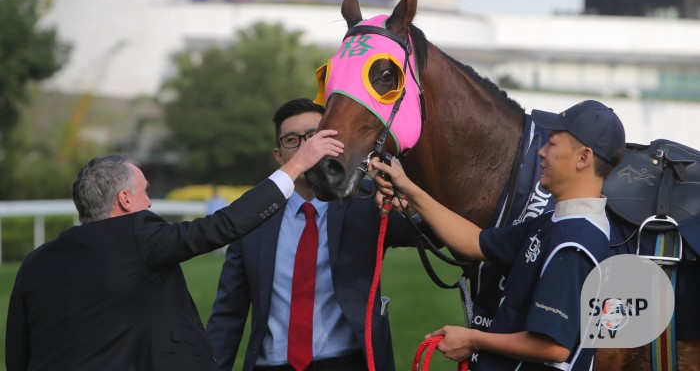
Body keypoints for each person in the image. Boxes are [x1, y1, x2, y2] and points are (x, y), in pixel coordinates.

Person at [5, 129, 344, 371]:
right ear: (125, 200)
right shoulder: (139, 233)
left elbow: (17, 352)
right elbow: (222, 226)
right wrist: (295, 166)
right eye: (143, 192)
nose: (149, 201)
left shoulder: (35, 262)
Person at [370, 100, 626, 371]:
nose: (540, 152)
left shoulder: (575, 241)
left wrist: (473, 339)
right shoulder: (554, 222)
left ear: (583, 158)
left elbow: (552, 346)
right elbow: (474, 242)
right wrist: (408, 188)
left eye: (551, 143)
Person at [206, 98, 426, 371]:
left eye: (314, 136)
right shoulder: (253, 215)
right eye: (291, 140)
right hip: (272, 364)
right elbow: (227, 314)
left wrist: (412, 201)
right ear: (278, 155)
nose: (306, 147)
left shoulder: (366, 201)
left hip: (348, 362)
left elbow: (430, 236)